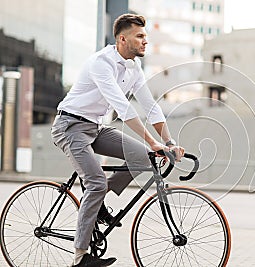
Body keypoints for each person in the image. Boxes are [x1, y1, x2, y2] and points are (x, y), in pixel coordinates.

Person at [51, 13, 184, 267]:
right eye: (140, 36)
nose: (146, 41)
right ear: (123, 39)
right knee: (96, 182)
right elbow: (123, 108)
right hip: (69, 126)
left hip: (96, 127)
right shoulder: (102, 63)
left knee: (143, 156)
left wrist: (167, 142)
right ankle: (80, 257)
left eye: (146, 36)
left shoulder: (134, 68)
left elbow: (150, 106)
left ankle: (98, 198)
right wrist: (152, 140)